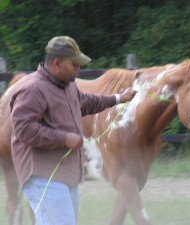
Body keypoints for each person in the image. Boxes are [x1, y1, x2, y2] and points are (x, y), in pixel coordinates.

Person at [10, 36, 137, 225]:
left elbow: (88, 101)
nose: (78, 70)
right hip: (42, 175)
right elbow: (24, 129)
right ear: (57, 63)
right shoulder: (33, 89)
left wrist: (119, 98)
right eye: (74, 65)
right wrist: (63, 138)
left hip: (64, 174)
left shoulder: (67, 85)